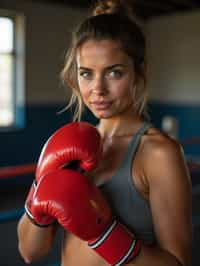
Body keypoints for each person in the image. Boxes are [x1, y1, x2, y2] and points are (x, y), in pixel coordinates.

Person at [17, 0, 192, 265]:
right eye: (86, 73)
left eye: (114, 73)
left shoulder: (159, 153)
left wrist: (104, 235)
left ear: (139, 73)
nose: (98, 88)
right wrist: (38, 193)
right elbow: (30, 252)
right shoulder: (69, 147)